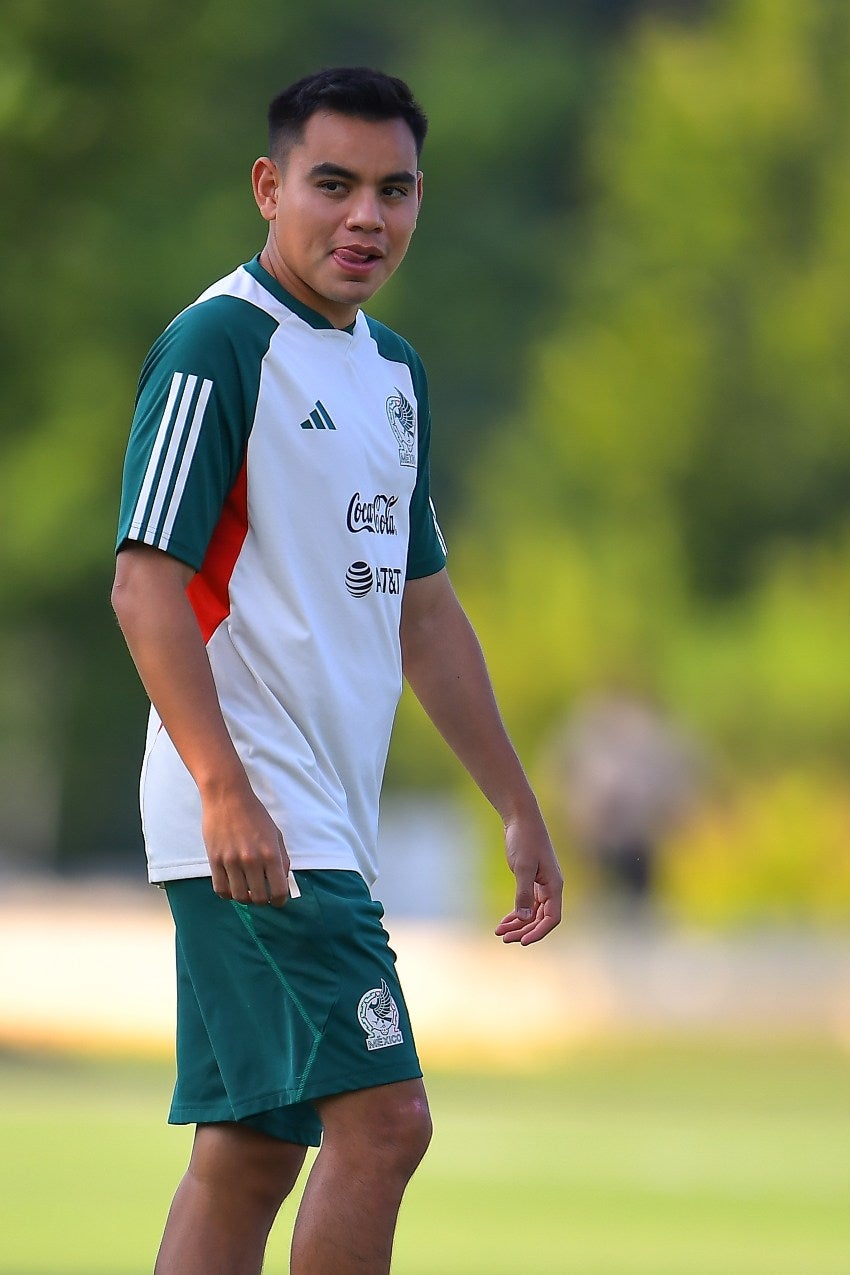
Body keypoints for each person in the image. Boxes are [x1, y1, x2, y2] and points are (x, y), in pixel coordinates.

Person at [111, 66, 563, 1275]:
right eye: (334, 185)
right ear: (269, 188)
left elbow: (423, 613)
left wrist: (516, 803)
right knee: (385, 1123)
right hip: (255, 816)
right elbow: (143, 582)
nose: (367, 216)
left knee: (250, 1151)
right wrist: (223, 788)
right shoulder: (219, 345)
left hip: (313, 818)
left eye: (395, 190)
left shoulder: (393, 374)